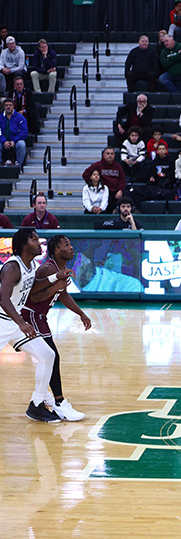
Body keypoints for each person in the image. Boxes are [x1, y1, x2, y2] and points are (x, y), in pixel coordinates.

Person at [22, 234, 91, 421]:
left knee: (48, 357)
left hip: (40, 317)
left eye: (70, 244)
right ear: (56, 250)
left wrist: (81, 313)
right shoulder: (46, 269)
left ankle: (43, 396)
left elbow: (63, 294)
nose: (71, 247)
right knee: (52, 357)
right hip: (29, 315)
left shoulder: (62, 269)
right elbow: (33, 297)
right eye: (66, 245)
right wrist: (55, 286)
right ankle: (59, 403)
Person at [0, 229, 66, 422]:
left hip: (14, 322)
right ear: (23, 245)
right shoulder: (13, 267)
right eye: (34, 239)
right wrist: (22, 323)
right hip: (3, 321)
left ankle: (36, 405)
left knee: (48, 355)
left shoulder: (32, 265)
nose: (39, 243)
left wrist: (56, 277)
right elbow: (3, 298)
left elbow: (34, 288)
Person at [82, 147, 126, 213]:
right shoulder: (97, 165)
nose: (110, 155)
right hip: (102, 190)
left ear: (114, 155)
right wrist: (93, 183)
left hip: (115, 191)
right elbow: (85, 174)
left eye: (112, 154)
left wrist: (120, 190)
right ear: (103, 155)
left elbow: (122, 179)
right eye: (108, 154)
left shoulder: (118, 166)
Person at [0, 97, 28, 168]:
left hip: (15, 141)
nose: (8, 107)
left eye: (10, 105)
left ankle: (19, 166)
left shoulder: (20, 117)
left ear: (13, 106)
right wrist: (4, 141)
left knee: (21, 144)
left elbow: (24, 132)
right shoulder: (0, 118)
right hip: (3, 142)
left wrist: (14, 141)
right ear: (4, 107)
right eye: (6, 105)